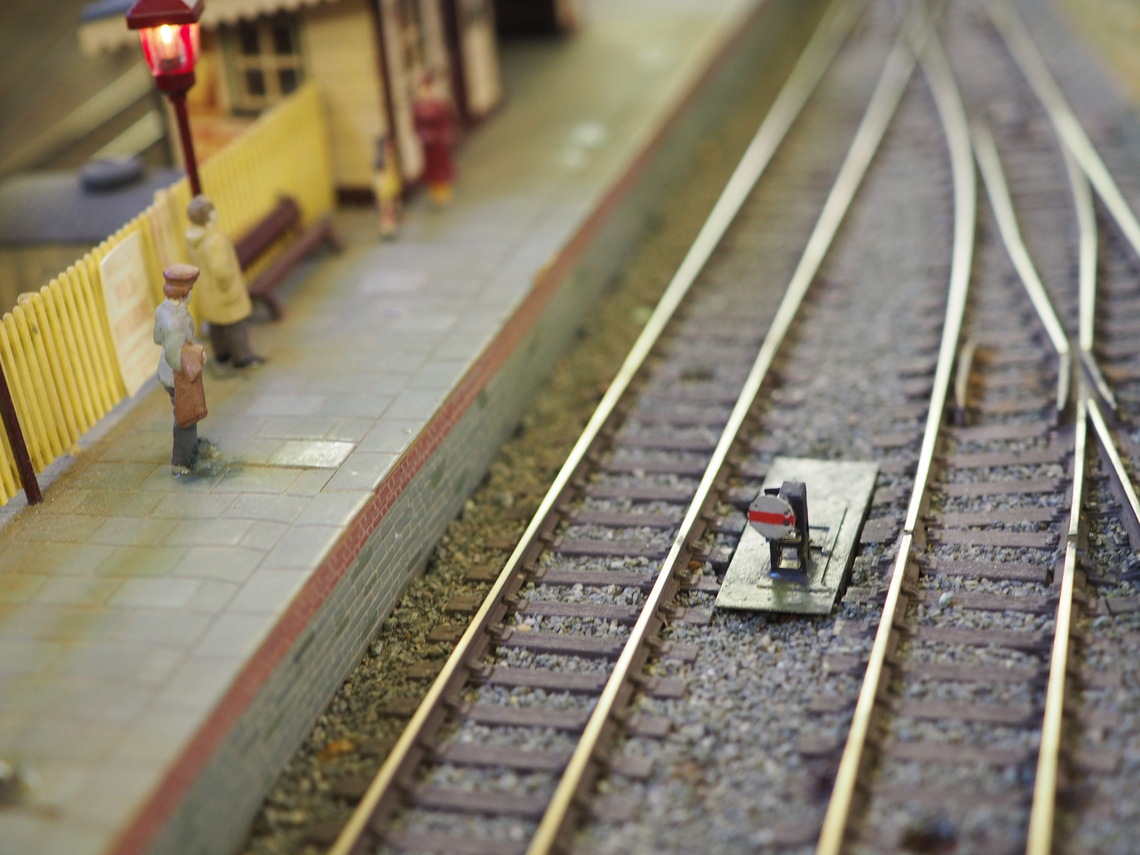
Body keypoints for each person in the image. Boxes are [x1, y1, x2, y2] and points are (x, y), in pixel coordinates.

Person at [185, 194, 262, 368]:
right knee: (235, 325)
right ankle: (243, 358)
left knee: (216, 324)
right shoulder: (214, 240)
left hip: (208, 291)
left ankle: (222, 355)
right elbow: (221, 270)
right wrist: (229, 288)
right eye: (212, 210)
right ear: (208, 215)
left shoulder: (193, 236)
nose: (215, 212)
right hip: (223, 291)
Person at [153, 264, 208, 475]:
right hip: (178, 376)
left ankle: (190, 445)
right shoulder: (178, 321)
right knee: (187, 416)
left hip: (166, 371)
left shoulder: (162, 310)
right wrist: (197, 357)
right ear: (185, 293)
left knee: (184, 414)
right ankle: (184, 458)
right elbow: (175, 358)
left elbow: (157, 339)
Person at [412, 73, 457, 206]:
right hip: (427, 143)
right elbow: (416, 124)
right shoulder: (418, 108)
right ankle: (434, 190)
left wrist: (444, 134)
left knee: (441, 163)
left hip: (438, 140)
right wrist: (422, 134)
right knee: (430, 165)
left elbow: (446, 120)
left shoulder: (439, 105)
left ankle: (444, 188)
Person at [373, 136, 402, 239]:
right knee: (385, 208)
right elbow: (381, 176)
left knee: (390, 208)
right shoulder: (381, 161)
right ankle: (386, 229)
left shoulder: (391, 158)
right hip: (384, 188)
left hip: (390, 186)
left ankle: (390, 228)